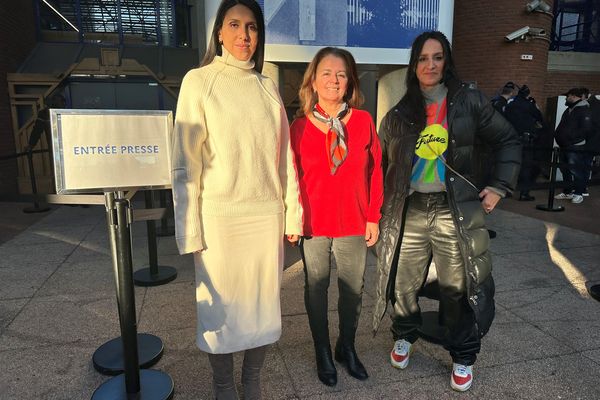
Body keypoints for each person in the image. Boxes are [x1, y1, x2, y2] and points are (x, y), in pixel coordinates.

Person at [372, 31, 521, 392]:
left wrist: (499, 186)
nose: (430, 65)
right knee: (404, 282)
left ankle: (463, 355)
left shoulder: (468, 101)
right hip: (411, 208)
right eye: (422, 58)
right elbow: (381, 165)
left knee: (458, 286)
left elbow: (508, 139)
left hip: (453, 207)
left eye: (437, 57)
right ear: (413, 64)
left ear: (446, 61)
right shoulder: (400, 112)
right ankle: (404, 334)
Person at [170, 1, 302, 399]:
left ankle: (252, 382)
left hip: (265, 219)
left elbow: (285, 160)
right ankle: (223, 385)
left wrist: (292, 214)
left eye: (252, 27)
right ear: (219, 33)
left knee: (263, 309)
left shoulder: (268, 86)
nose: (244, 36)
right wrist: (189, 229)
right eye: (235, 25)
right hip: (220, 224)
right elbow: (184, 163)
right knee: (220, 313)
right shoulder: (199, 80)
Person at [290, 47, 383, 387]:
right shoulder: (298, 127)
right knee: (316, 288)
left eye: (341, 74)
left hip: (354, 222)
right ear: (313, 81)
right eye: (326, 73)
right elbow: (291, 178)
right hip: (313, 223)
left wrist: (373, 216)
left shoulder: (363, 121)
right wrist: (292, 219)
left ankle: (346, 346)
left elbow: (375, 172)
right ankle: (322, 351)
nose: (334, 80)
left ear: (349, 82)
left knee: (353, 290)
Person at [504, 84, 545, 201]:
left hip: (511, 139)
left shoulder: (510, 105)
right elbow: (540, 117)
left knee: (511, 164)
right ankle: (524, 193)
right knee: (526, 166)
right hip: (526, 140)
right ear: (527, 95)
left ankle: (507, 190)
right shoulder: (529, 105)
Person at [554, 87, 594, 204]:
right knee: (565, 169)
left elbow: (585, 129)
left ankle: (578, 193)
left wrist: (571, 140)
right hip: (564, 145)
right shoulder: (569, 110)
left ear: (575, 96)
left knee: (576, 170)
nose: (567, 98)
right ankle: (567, 192)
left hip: (575, 146)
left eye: (568, 96)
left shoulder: (584, 110)